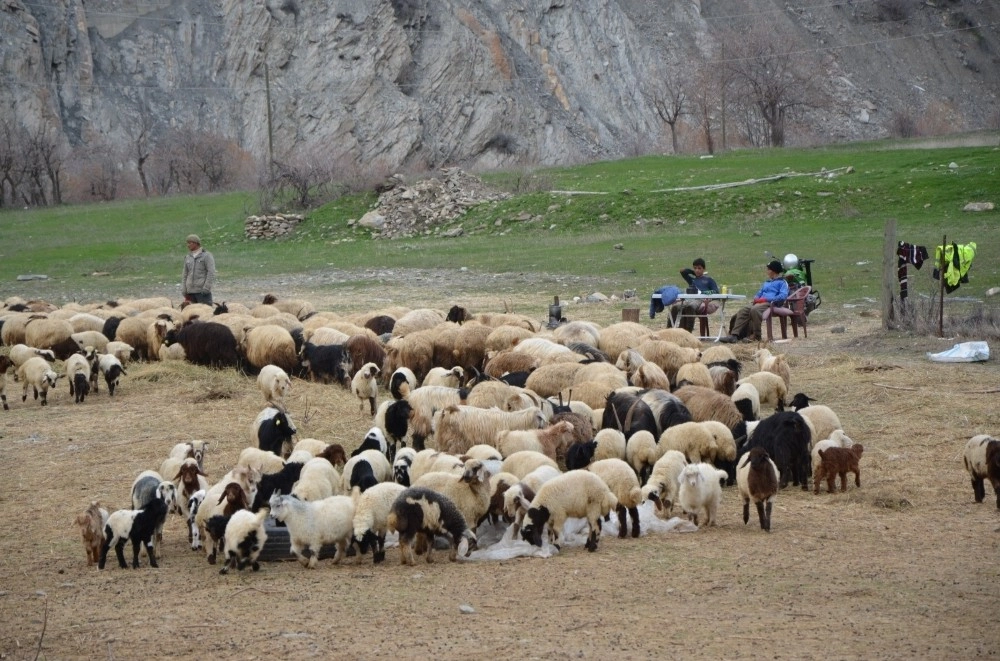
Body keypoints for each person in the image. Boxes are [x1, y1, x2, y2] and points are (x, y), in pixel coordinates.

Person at [722, 259, 789, 342]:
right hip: (760, 302)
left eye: (768, 269)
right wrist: (756, 298)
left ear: (774, 271)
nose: (767, 271)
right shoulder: (767, 282)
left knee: (755, 309)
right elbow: (759, 292)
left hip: (771, 303)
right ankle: (734, 335)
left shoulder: (782, 283)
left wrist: (767, 299)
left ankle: (757, 335)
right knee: (743, 310)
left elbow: (783, 295)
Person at [671, 258, 719, 333]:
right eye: (695, 268)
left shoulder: (708, 280)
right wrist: (693, 272)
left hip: (701, 300)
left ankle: (688, 331)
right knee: (675, 307)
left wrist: (705, 293)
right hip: (689, 299)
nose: (697, 270)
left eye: (699, 268)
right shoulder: (692, 280)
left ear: (704, 269)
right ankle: (669, 330)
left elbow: (716, 292)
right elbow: (683, 271)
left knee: (690, 307)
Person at [182, 234, 215, 305]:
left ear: (196, 243)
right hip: (190, 292)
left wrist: (206, 288)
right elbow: (185, 274)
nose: (188, 245)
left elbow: (211, 272)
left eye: (190, 243)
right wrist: (184, 289)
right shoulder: (187, 257)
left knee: (206, 313)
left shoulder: (207, 256)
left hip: (202, 292)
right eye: (187, 243)